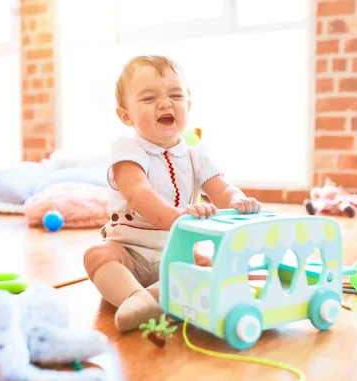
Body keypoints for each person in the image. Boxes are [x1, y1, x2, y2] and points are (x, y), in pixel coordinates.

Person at [83, 55, 262, 332]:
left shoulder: (197, 157)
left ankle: (153, 297)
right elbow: (138, 193)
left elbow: (222, 189)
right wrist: (178, 216)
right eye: (148, 98)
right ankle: (133, 296)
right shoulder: (127, 151)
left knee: (211, 265)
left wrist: (238, 201)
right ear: (126, 115)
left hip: (176, 253)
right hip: (131, 253)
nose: (166, 103)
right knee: (97, 255)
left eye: (175, 95)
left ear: (188, 105)